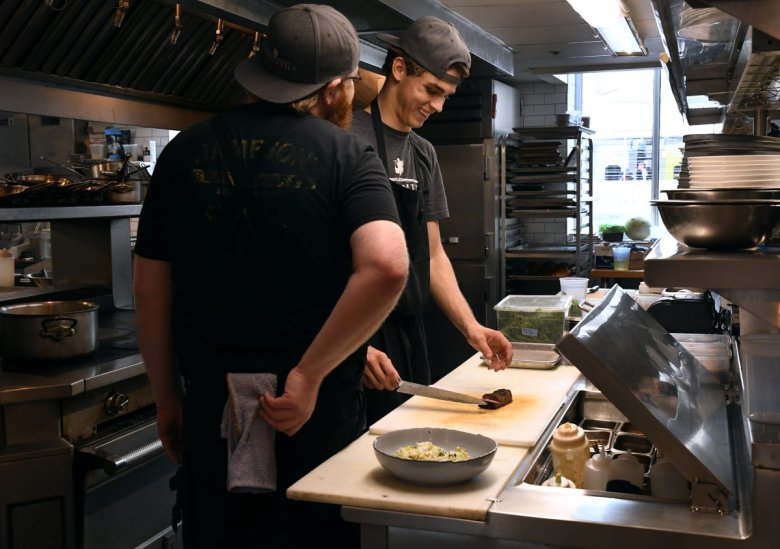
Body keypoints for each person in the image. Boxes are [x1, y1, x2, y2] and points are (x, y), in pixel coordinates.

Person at [133, 4, 408, 548]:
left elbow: (150, 289)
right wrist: (307, 375)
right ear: (334, 88)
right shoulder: (349, 154)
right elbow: (387, 266)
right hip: (309, 415)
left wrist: (166, 397)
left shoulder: (183, 152)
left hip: (216, 412)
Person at [349, 16, 513, 426]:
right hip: (352, 333)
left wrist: (471, 327)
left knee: (405, 439)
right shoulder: (344, 139)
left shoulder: (423, 153)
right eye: (432, 90)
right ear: (399, 69)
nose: (438, 106)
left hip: (407, 329)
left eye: (446, 96)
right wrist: (351, 345)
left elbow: (434, 254)